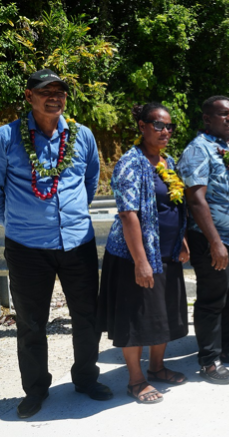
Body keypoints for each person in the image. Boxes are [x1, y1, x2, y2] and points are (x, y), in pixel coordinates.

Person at [0, 69, 109, 418]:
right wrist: (20, 219)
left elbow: (90, 181)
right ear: (29, 96)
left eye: (60, 91)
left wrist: (72, 215)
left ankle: (86, 378)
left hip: (77, 242)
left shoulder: (83, 136)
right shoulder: (7, 137)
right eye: (45, 91)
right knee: (31, 322)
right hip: (27, 247)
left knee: (87, 316)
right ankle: (35, 389)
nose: (54, 97)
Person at [98, 102, 190, 404]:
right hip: (134, 257)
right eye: (158, 125)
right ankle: (136, 381)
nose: (165, 131)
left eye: (169, 126)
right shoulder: (131, 162)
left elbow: (173, 205)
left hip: (166, 252)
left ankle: (158, 367)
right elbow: (128, 215)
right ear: (142, 126)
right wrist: (140, 262)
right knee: (136, 318)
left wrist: (182, 239)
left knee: (161, 314)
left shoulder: (167, 161)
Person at [178, 96, 229, 384]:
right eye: (222, 114)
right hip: (212, 241)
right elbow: (195, 199)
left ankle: (228, 347)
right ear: (207, 119)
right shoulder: (198, 150)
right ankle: (209, 360)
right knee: (212, 300)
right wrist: (216, 243)